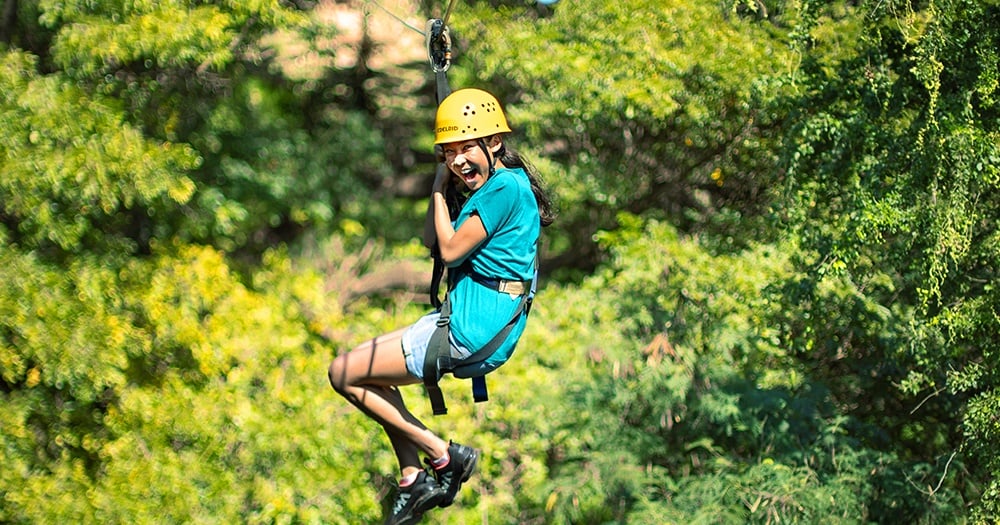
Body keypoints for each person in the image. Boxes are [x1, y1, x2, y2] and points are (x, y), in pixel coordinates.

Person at [327, 88, 556, 525]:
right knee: (365, 372)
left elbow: (448, 251)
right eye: (448, 153)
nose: (456, 161)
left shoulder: (503, 187)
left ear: (495, 143)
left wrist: (435, 185)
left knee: (343, 374)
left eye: (466, 148)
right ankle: (413, 477)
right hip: (469, 322)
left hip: (469, 330)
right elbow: (433, 242)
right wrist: (448, 188)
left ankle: (440, 454)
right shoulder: (501, 185)